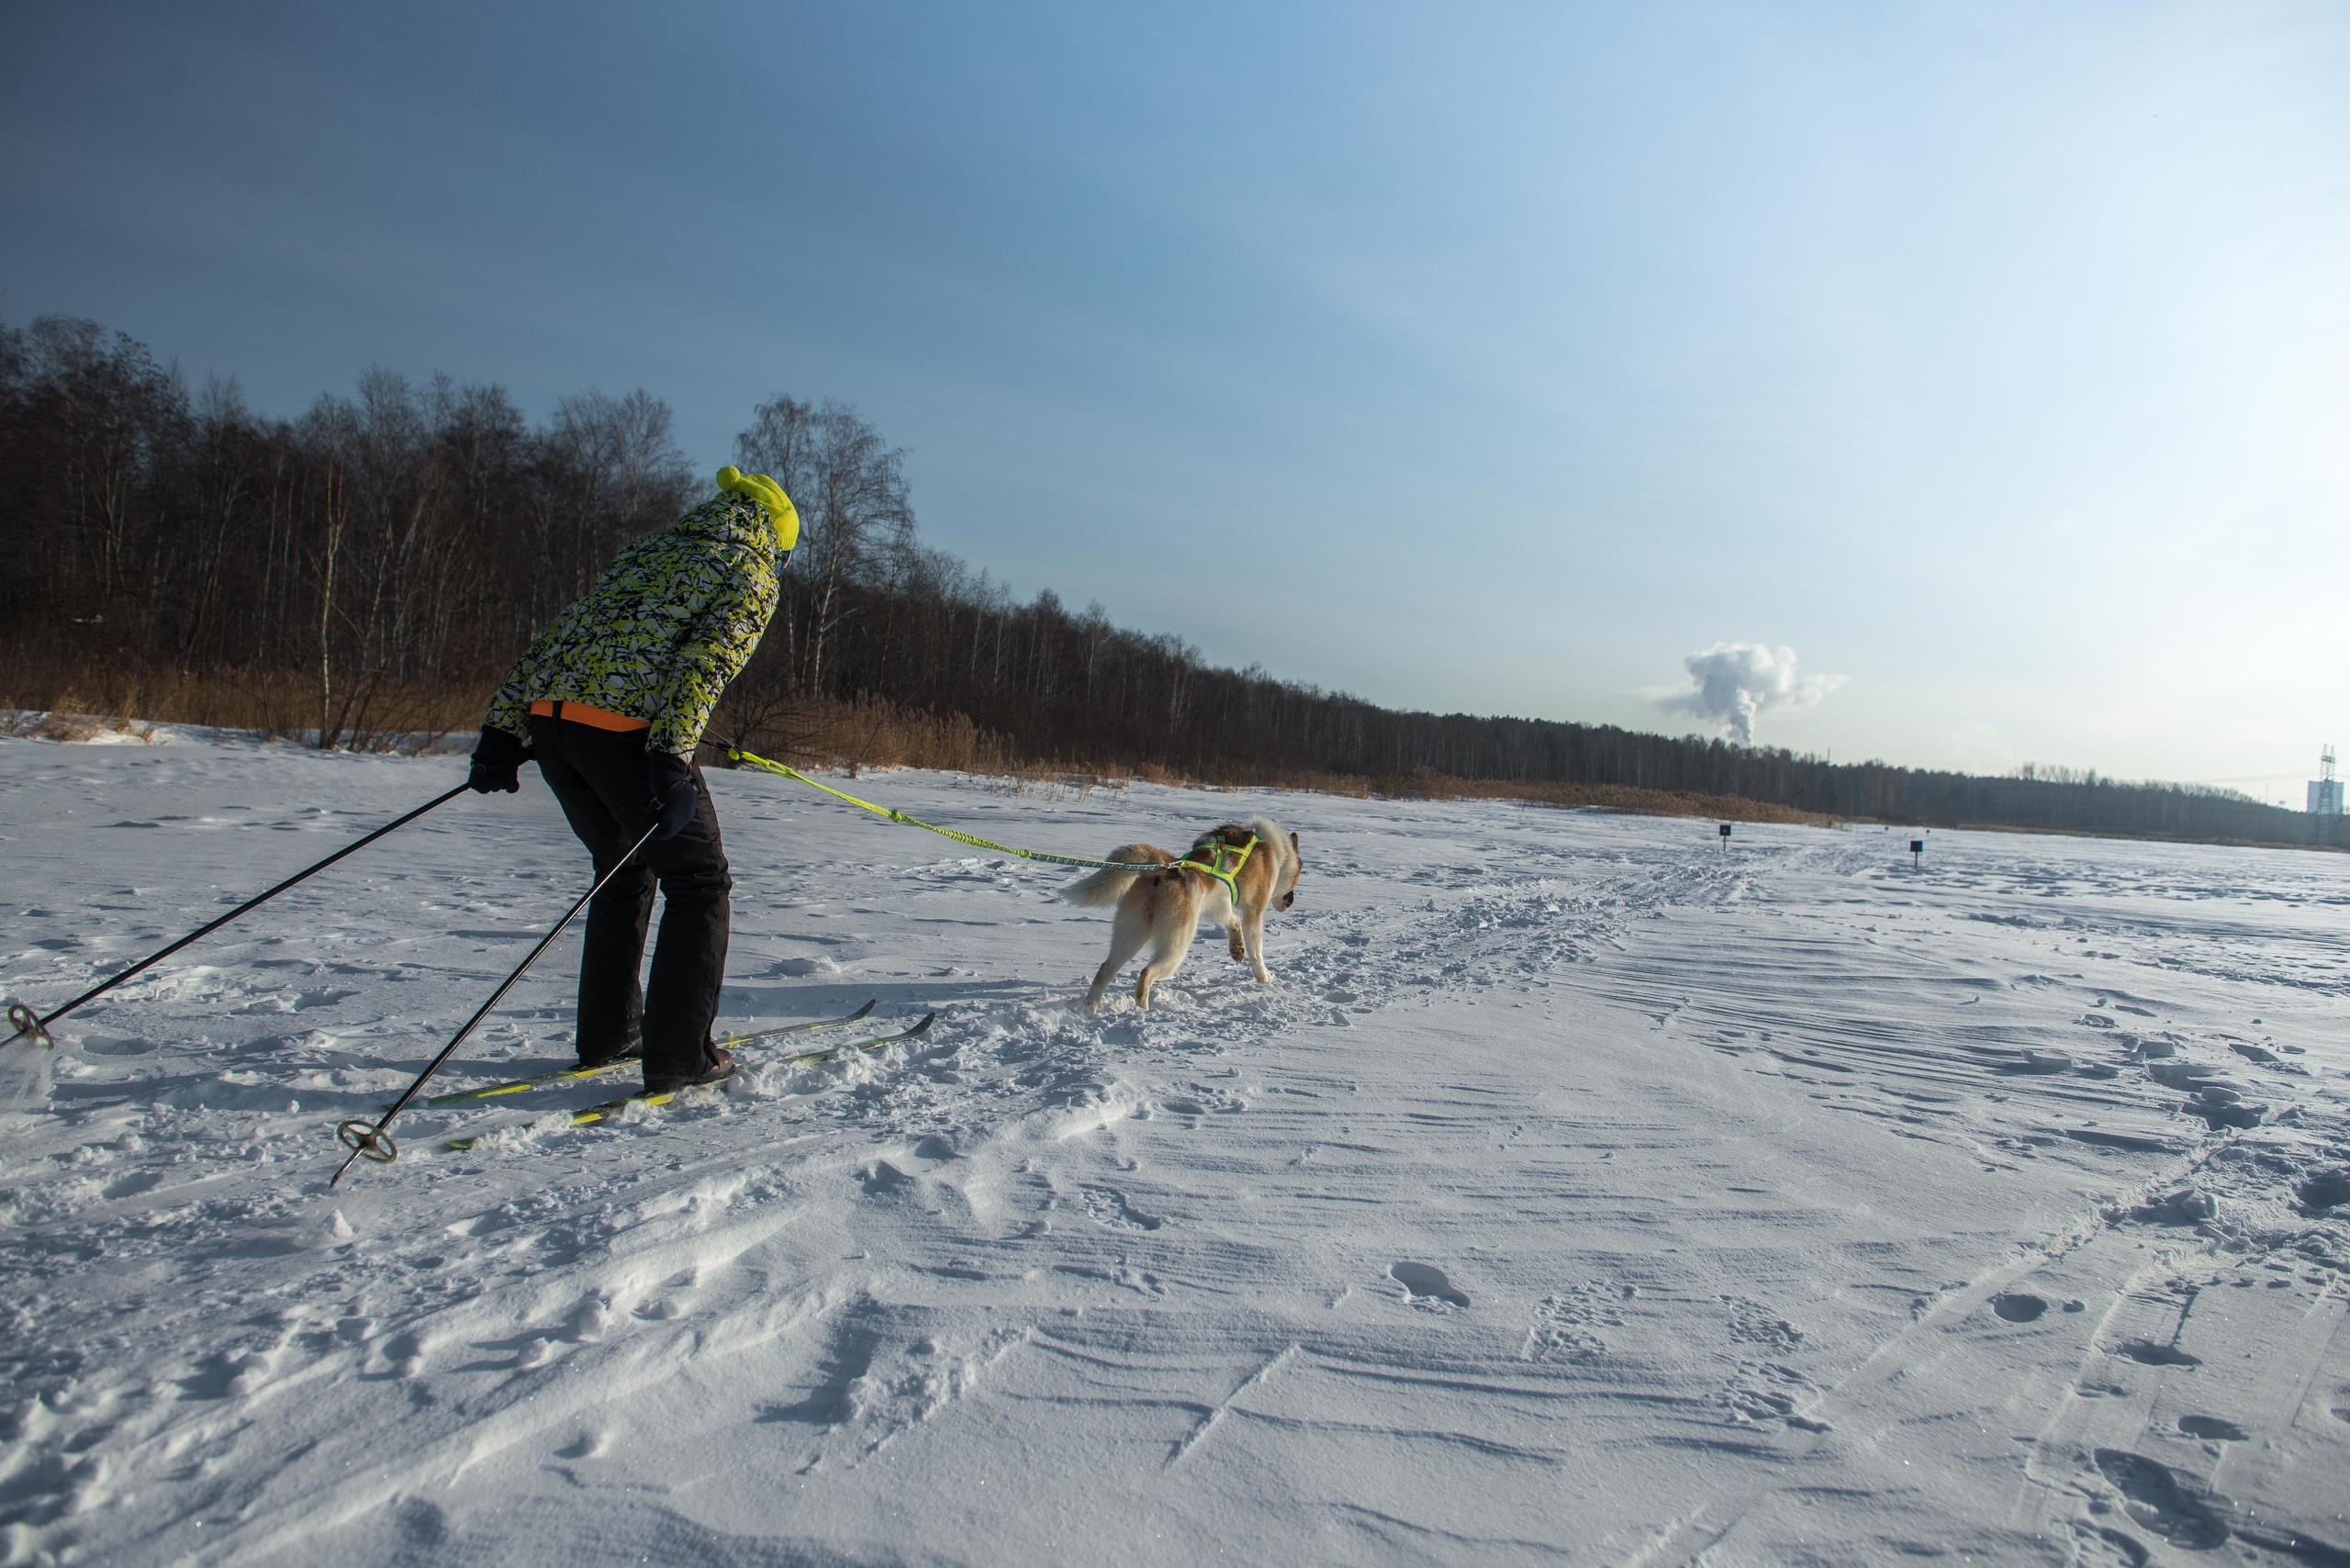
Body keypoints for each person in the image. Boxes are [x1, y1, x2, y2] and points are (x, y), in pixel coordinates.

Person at [464, 465, 797, 1094]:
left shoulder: (648, 552)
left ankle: (611, 1034)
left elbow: (561, 637)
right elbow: (705, 666)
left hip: (555, 727)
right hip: (624, 736)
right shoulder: (749, 573)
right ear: (774, 537)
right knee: (698, 880)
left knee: (622, 868)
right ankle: (679, 1055)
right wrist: (672, 759)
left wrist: (501, 731)